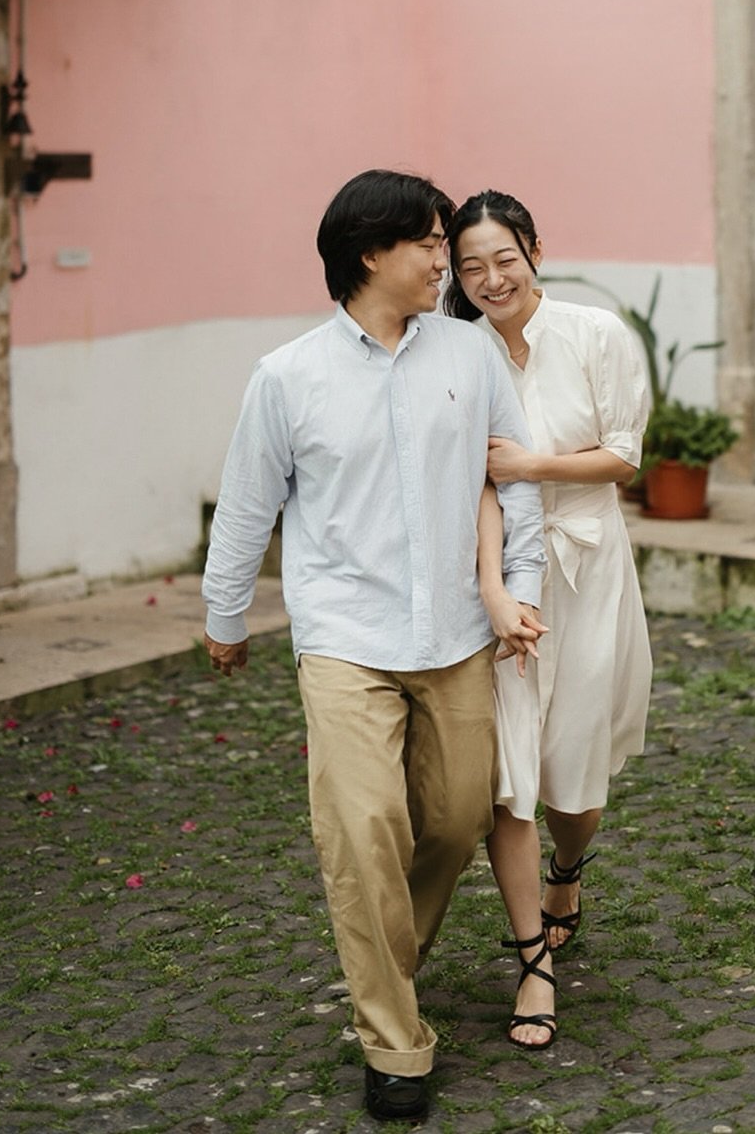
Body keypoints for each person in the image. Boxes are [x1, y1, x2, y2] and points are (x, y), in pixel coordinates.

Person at [201, 169, 546, 1124]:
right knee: (361, 833)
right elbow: (246, 509)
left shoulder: (470, 358)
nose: (449, 261)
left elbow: (513, 482)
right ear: (370, 255)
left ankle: (387, 961)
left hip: (456, 637)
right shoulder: (289, 377)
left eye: (447, 245)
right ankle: (396, 1044)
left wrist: (522, 593)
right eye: (431, 245)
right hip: (346, 640)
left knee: (453, 817)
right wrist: (225, 619)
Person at [447, 189, 653, 1050]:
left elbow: (626, 459)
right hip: (501, 583)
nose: (491, 279)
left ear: (534, 248)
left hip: (590, 566)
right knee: (514, 771)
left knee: (577, 766)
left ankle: (570, 870)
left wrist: (530, 462)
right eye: (470, 267)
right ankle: (533, 963)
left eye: (504, 258)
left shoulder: (597, 334)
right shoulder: (453, 352)